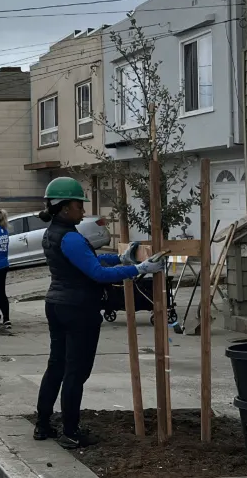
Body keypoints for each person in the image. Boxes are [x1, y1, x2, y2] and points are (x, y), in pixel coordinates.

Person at [34, 177, 163, 449]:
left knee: (56, 366)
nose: (83, 210)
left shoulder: (53, 232)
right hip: (78, 309)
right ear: (66, 208)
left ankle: (43, 425)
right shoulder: (69, 236)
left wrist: (121, 258)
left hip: (56, 305)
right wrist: (138, 270)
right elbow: (97, 273)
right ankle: (71, 432)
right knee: (75, 373)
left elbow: (88, 260)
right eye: (79, 205)